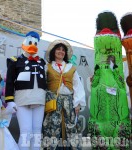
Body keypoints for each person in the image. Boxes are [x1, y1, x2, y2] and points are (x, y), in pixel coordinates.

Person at [89, 11, 131, 149]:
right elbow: (95, 82)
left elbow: (121, 81)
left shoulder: (118, 61)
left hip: (117, 108)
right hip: (101, 106)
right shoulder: (99, 61)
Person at [5, 31, 46, 150]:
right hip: (22, 99)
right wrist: (10, 100)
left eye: (35, 43)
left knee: (37, 131)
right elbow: (9, 82)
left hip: (39, 99)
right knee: (26, 131)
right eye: (30, 42)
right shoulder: (14, 61)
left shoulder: (42, 62)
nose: (33, 45)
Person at [43, 40, 86, 150]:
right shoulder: (47, 67)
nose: (61, 51)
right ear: (53, 51)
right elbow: (42, 85)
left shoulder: (71, 68)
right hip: (52, 101)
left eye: (63, 50)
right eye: (58, 49)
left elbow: (78, 86)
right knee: (52, 127)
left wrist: (77, 104)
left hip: (69, 102)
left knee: (71, 127)